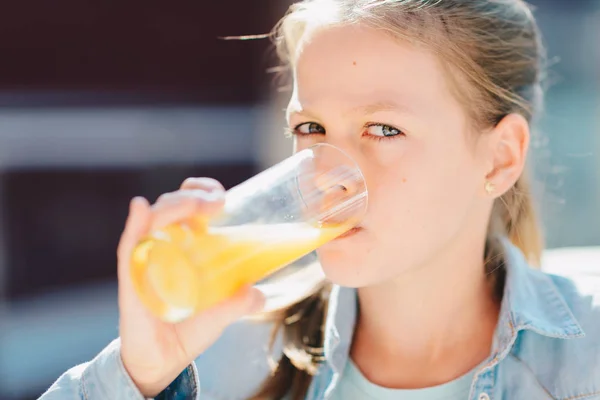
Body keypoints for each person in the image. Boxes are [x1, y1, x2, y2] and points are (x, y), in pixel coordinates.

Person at [42, 0, 600, 399]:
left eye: (383, 130)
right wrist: (137, 377)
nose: (329, 176)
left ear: (500, 157)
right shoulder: (222, 360)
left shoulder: (585, 362)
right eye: (311, 128)